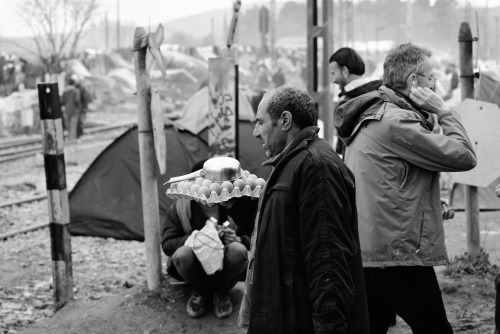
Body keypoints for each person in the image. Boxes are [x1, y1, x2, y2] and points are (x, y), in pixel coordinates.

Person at [334, 43, 477, 334]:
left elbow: (391, 179)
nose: (434, 84)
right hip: (398, 255)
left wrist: (429, 200)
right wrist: (445, 112)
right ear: (414, 82)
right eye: (430, 78)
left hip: (372, 250)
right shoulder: (398, 122)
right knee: (435, 329)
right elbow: (465, 155)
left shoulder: (374, 113)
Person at [225, 84, 369, 333]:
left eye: (260, 122)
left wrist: (329, 326)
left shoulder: (316, 166)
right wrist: (234, 204)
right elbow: (278, 237)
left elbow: (329, 260)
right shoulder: (291, 163)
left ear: (285, 120)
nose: (256, 132)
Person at [161, 160, 250, 320]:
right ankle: (199, 291)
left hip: (224, 266)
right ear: (194, 185)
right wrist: (196, 238)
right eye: (204, 184)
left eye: (214, 184)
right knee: (182, 254)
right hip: (195, 267)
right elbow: (167, 245)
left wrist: (237, 238)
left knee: (239, 250)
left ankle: (221, 292)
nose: (209, 190)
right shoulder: (180, 209)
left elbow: (255, 237)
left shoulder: (233, 205)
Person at [329, 47, 382, 156]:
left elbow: (343, 145)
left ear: (344, 71)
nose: (333, 80)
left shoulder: (346, 103)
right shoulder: (381, 91)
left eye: (333, 73)